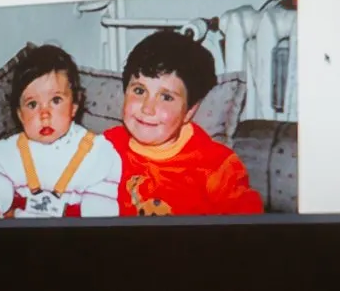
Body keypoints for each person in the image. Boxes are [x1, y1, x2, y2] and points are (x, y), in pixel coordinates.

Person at [104, 30, 263, 216]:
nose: (147, 108)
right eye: (139, 91)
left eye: (166, 97)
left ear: (190, 111)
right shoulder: (103, 148)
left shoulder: (217, 167)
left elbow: (248, 222)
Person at [0, 44, 121, 219]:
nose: (44, 114)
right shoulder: (12, 152)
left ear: (74, 105)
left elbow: (103, 205)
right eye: (32, 104)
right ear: (20, 114)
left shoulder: (96, 153)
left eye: (56, 100)